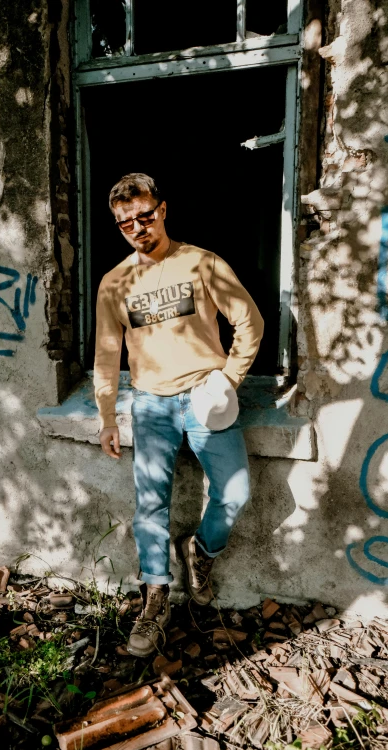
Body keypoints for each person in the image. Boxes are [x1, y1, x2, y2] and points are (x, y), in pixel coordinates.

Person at [93, 173, 264, 657]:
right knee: (150, 504)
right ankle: (155, 597)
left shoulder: (200, 263)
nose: (137, 228)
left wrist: (229, 377)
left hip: (206, 396)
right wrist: (108, 414)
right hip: (151, 404)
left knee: (235, 492)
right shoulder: (114, 283)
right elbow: (108, 354)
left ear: (163, 210)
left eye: (145, 216)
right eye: (126, 223)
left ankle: (201, 552)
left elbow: (248, 320)